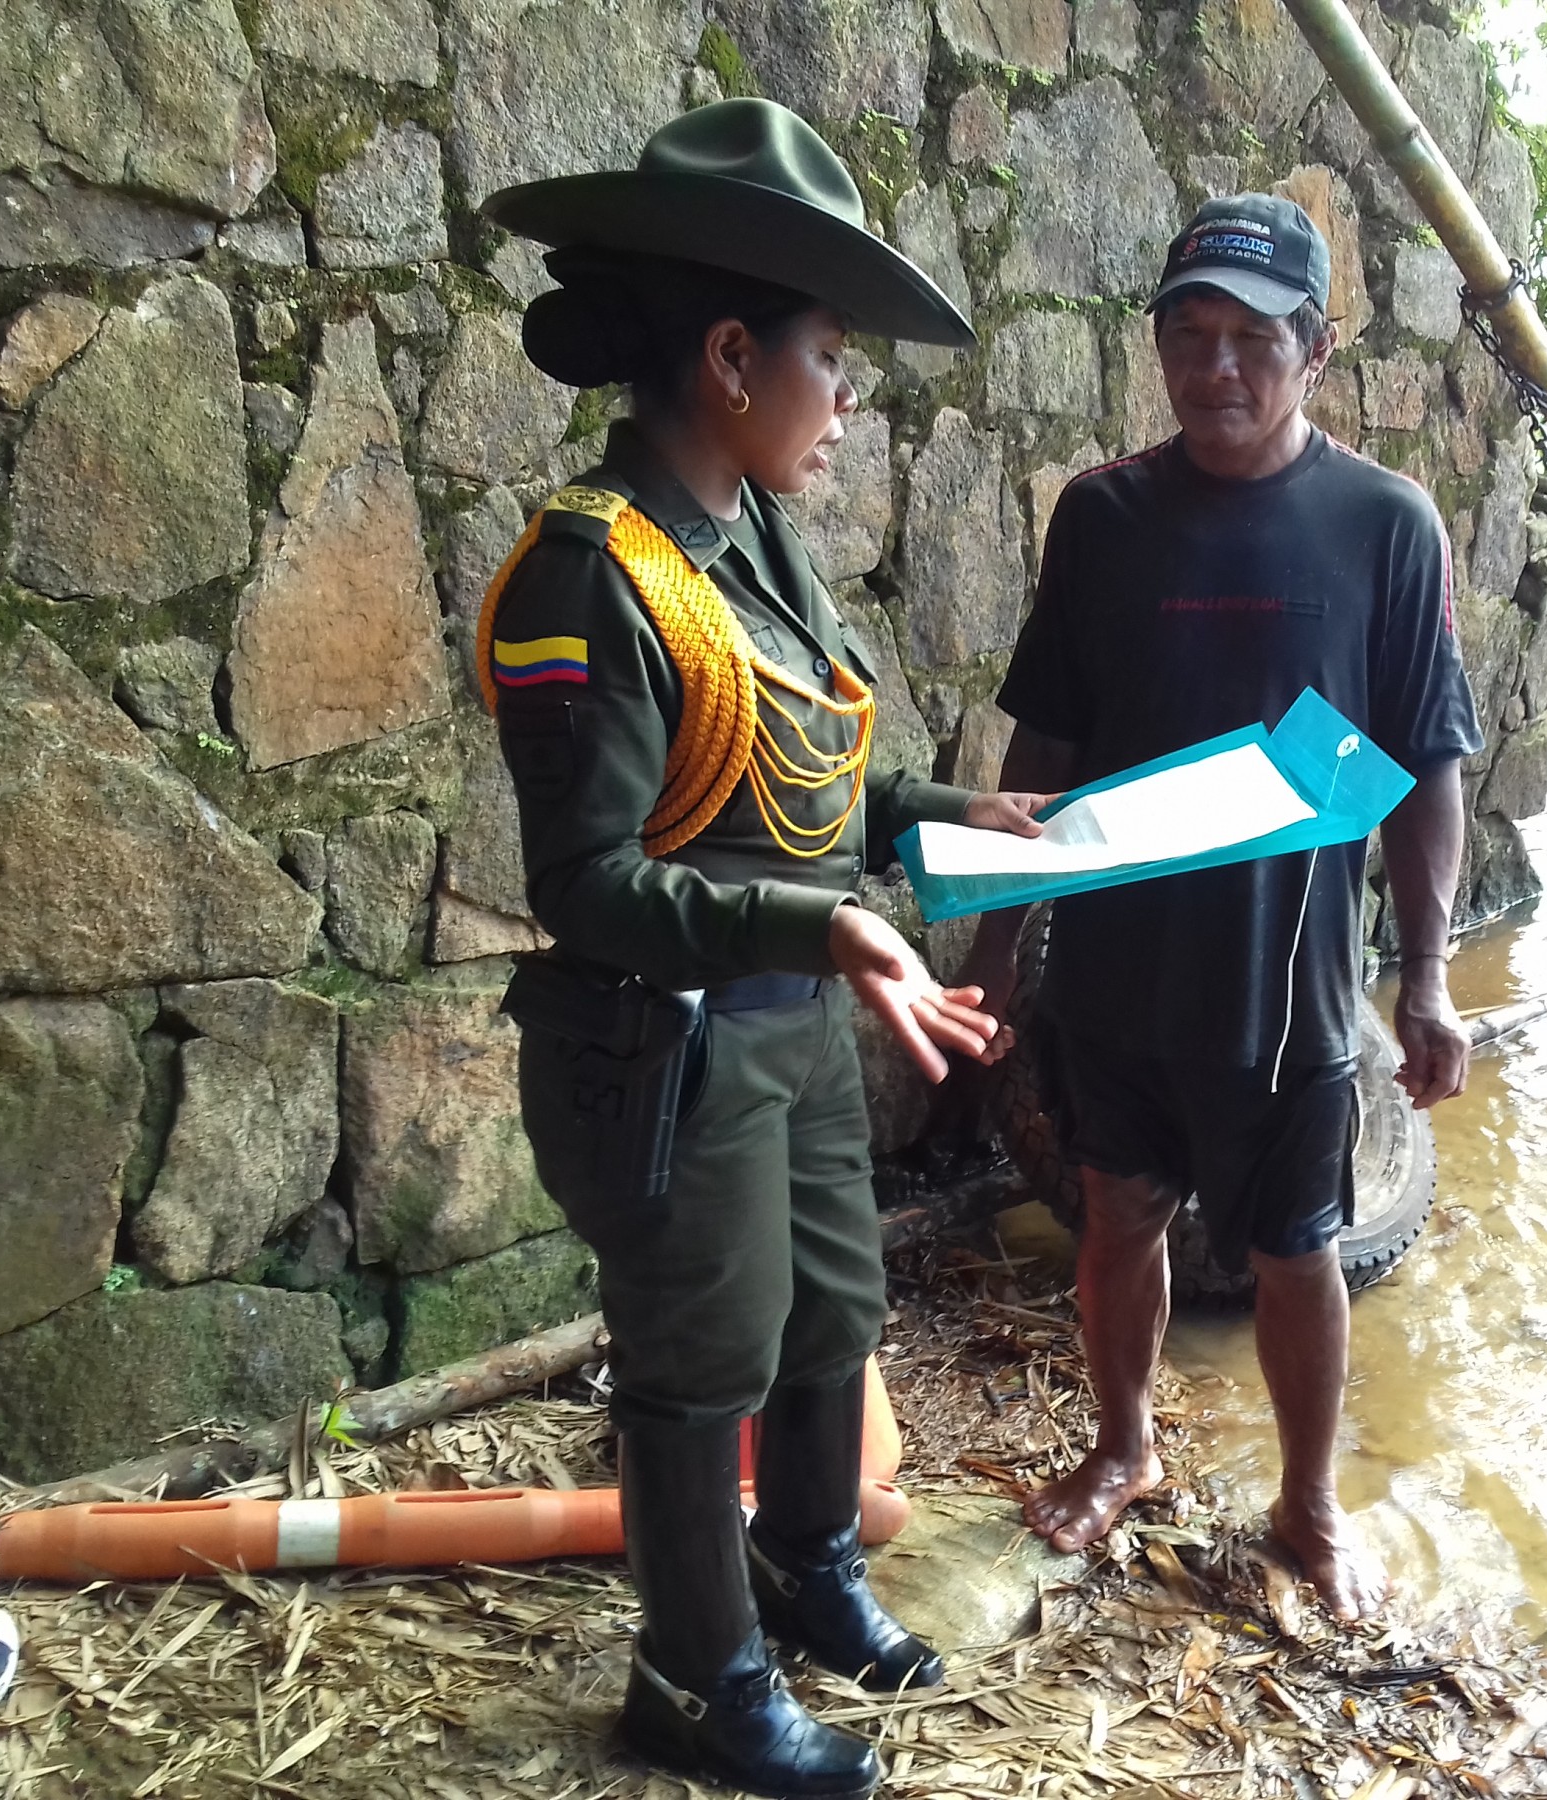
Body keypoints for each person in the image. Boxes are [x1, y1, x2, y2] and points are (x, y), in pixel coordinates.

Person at [478, 100, 1053, 1799]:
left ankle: (808, 1572)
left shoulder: (760, 548)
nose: (848, 398)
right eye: (831, 358)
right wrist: (830, 919)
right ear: (731, 356)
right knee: (700, 1359)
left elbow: (807, 782)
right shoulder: (588, 577)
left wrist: (946, 811)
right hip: (674, 1045)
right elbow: (585, 881)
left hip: (796, 1017)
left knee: (831, 1316)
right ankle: (695, 1674)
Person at [961, 194, 1484, 1622]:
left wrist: (1426, 979)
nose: (1217, 370)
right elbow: (1046, 749)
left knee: (1297, 1245)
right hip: (1118, 967)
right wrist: (998, 945)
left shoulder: (1386, 525)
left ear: (1315, 349)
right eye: (1188, 337)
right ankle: (1122, 1445)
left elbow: (1430, 758)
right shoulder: (1105, 515)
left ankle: (1309, 1509)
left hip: (1292, 983)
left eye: (1253, 339)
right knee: (1116, 1212)